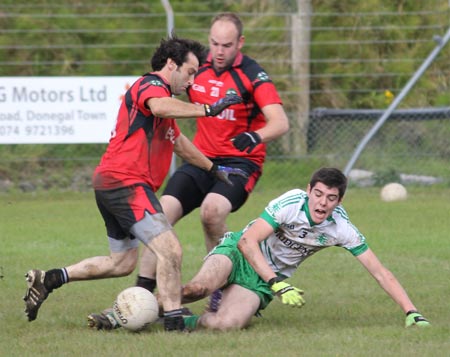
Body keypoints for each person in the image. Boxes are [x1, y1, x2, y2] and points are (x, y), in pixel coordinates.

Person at [22, 35, 245, 332]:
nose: (192, 82)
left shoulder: (164, 104)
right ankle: (175, 323)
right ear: (171, 64)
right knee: (171, 250)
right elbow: (160, 107)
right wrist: (207, 109)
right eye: (190, 72)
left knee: (122, 263)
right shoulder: (150, 86)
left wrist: (213, 169)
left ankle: (50, 278)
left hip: (112, 183)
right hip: (125, 182)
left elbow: (177, 142)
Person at [87, 12, 290, 330]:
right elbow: (168, 100)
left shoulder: (253, 75)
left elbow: (280, 121)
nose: (219, 51)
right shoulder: (195, 68)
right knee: (160, 214)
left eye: (226, 44)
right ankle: (141, 296)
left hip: (238, 163)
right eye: (214, 43)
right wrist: (203, 108)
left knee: (212, 211)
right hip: (200, 159)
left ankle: (221, 288)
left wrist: (255, 136)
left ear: (240, 43)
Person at [175, 167, 430, 331]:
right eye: (318, 194)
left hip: (261, 283)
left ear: (339, 201)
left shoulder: (341, 228)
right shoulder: (291, 203)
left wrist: (412, 312)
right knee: (196, 289)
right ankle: (150, 306)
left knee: (226, 325)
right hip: (238, 254)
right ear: (309, 191)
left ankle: (179, 322)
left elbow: (380, 272)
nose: (322, 203)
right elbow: (246, 242)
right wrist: (277, 283)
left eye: (331, 198)